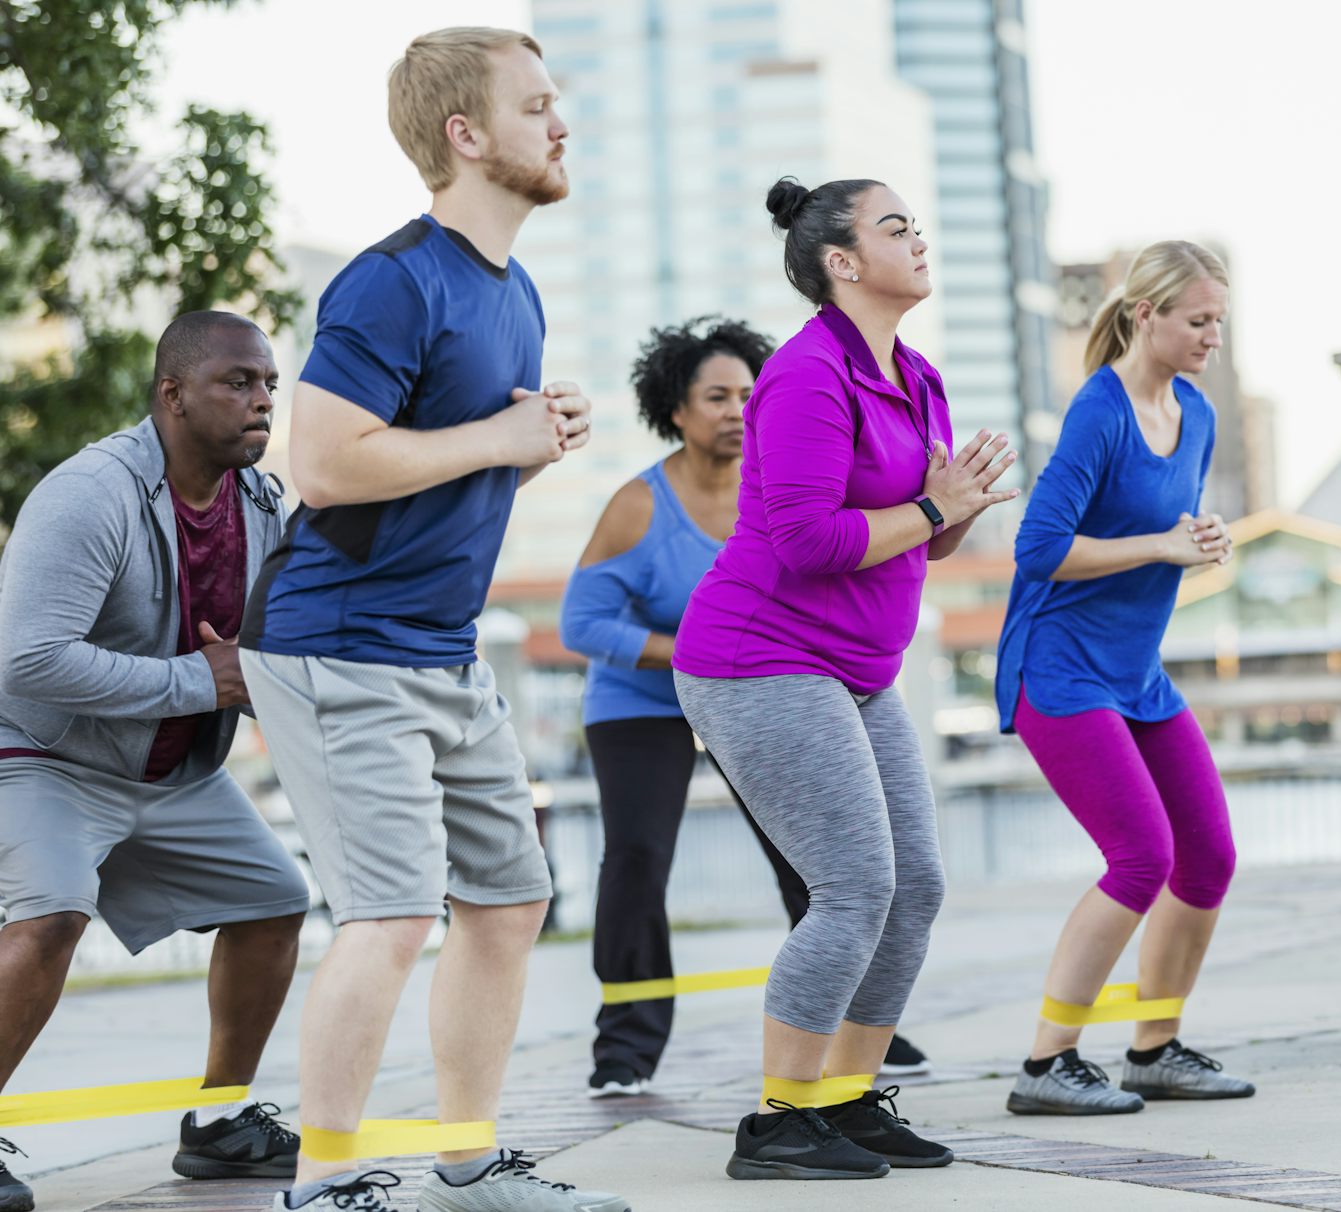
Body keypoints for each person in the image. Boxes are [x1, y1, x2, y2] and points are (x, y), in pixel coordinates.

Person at [236, 28, 623, 1212]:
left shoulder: (517, 295)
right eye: (538, 105)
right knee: (394, 912)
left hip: (444, 652)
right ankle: (326, 1181)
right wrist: (498, 440)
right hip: (335, 644)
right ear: (465, 134)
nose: (563, 125)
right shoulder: (391, 279)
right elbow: (328, 462)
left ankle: (466, 1157)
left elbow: (443, 471)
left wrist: (528, 451)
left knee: (510, 901)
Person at [671, 176, 1017, 1180]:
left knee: (916, 888)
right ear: (842, 262)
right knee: (857, 885)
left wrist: (957, 511)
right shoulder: (805, 376)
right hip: (758, 657)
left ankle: (847, 1098)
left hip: (859, 668)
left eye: (917, 225)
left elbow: (925, 546)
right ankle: (778, 1121)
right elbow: (807, 538)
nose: (920, 239)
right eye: (895, 227)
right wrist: (931, 504)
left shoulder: (919, 375)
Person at [562, 318, 931, 1101]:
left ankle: (853, 1027)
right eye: (716, 396)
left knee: (821, 857)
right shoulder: (638, 504)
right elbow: (581, 624)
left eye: (749, 396)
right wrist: (688, 645)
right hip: (642, 702)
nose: (737, 409)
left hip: (772, 690)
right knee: (636, 858)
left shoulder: (784, 487)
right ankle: (624, 1047)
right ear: (677, 409)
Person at [0, 312, 311, 1211]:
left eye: (268, 386)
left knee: (273, 902)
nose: (261, 402)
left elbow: (260, 648)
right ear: (172, 394)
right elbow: (26, 658)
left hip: (173, 772)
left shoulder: (259, 502)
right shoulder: (88, 492)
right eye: (238, 382)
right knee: (53, 912)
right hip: (45, 754)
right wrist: (198, 680)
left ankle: (220, 1126)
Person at [995, 241, 1254, 1116]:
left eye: (1219, 319)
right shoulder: (1097, 412)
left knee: (1208, 856)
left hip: (1136, 674)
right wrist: (1163, 545)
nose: (1212, 334)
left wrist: (1200, 540)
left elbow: (1163, 530)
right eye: (1197, 319)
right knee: (1141, 856)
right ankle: (1046, 1064)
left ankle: (1154, 1046)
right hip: (1061, 673)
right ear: (1146, 315)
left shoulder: (1198, 412)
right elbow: (1038, 550)